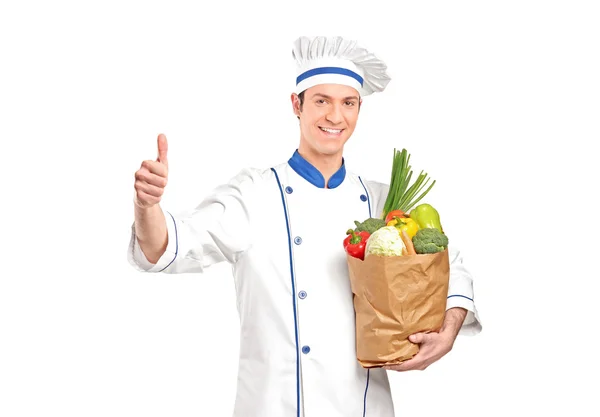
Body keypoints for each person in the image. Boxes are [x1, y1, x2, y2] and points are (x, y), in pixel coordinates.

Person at [127, 35, 482, 417]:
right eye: (321, 101)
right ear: (296, 105)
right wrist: (146, 206)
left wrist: (448, 331)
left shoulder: (384, 203)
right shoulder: (253, 194)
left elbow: (449, 267)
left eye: (348, 103)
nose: (335, 116)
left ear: (359, 110)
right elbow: (166, 246)